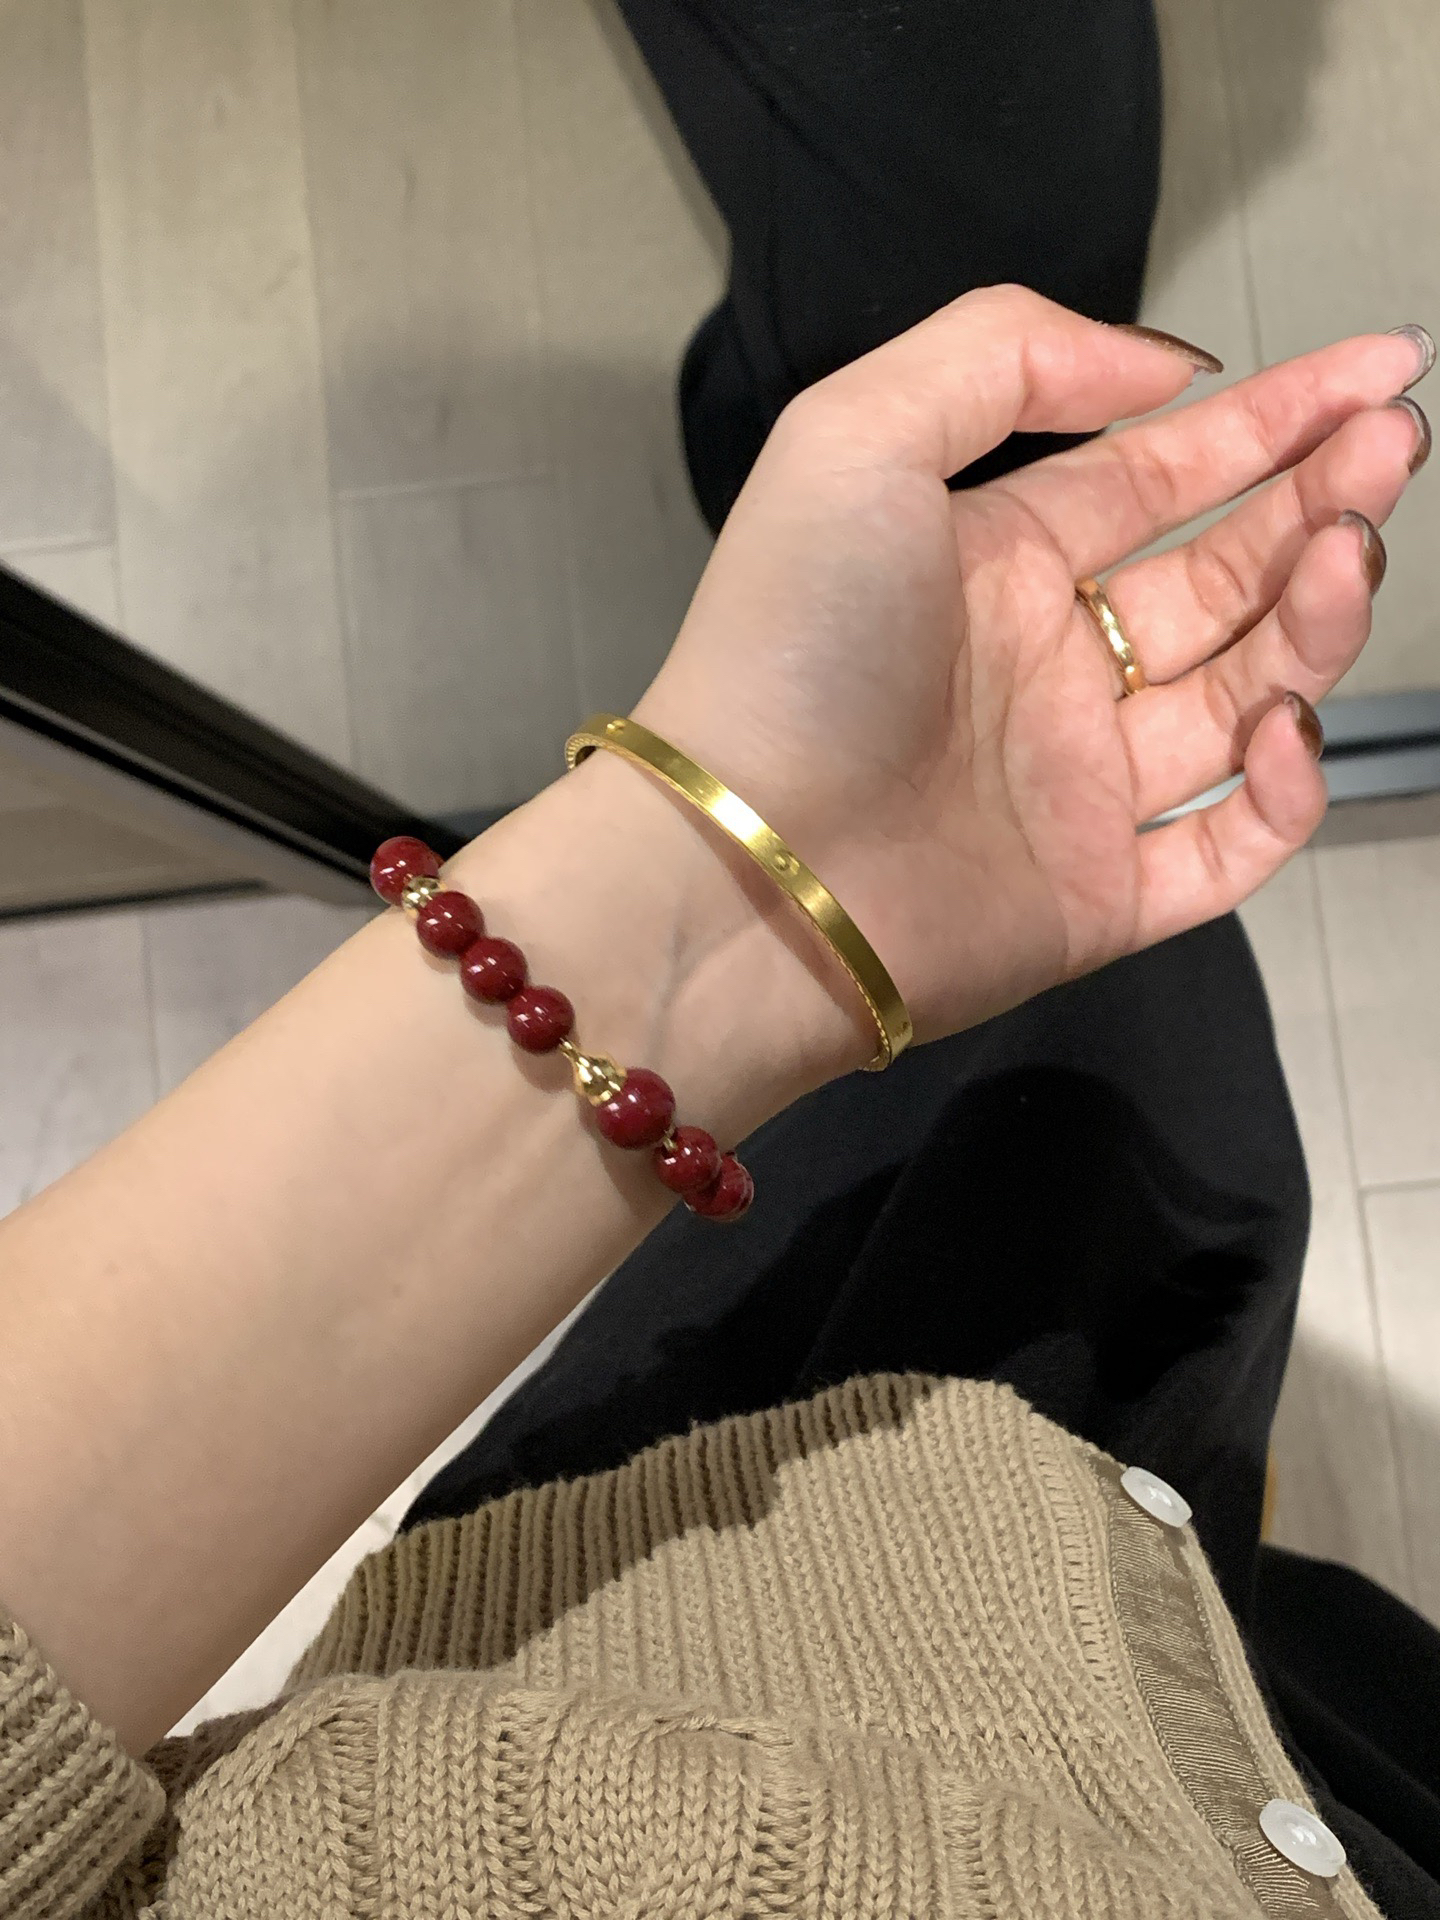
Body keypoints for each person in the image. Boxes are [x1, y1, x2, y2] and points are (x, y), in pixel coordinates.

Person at [0, 5, 1437, 1914]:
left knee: (1127, 1083)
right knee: (1182, 1137)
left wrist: (701, 894)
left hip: (688, 1597)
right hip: (1274, 1741)